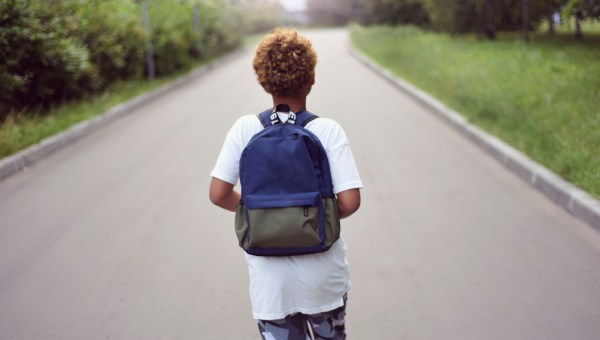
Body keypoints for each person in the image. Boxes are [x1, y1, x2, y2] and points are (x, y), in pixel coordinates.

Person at [209, 28, 362, 340]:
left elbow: (218, 193)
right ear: (311, 78)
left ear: (264, 81)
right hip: (323, 277)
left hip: (270, 283)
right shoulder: (328, 130)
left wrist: (261, 213)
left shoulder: (245, 128)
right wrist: (310, 215)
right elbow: (350, 202)